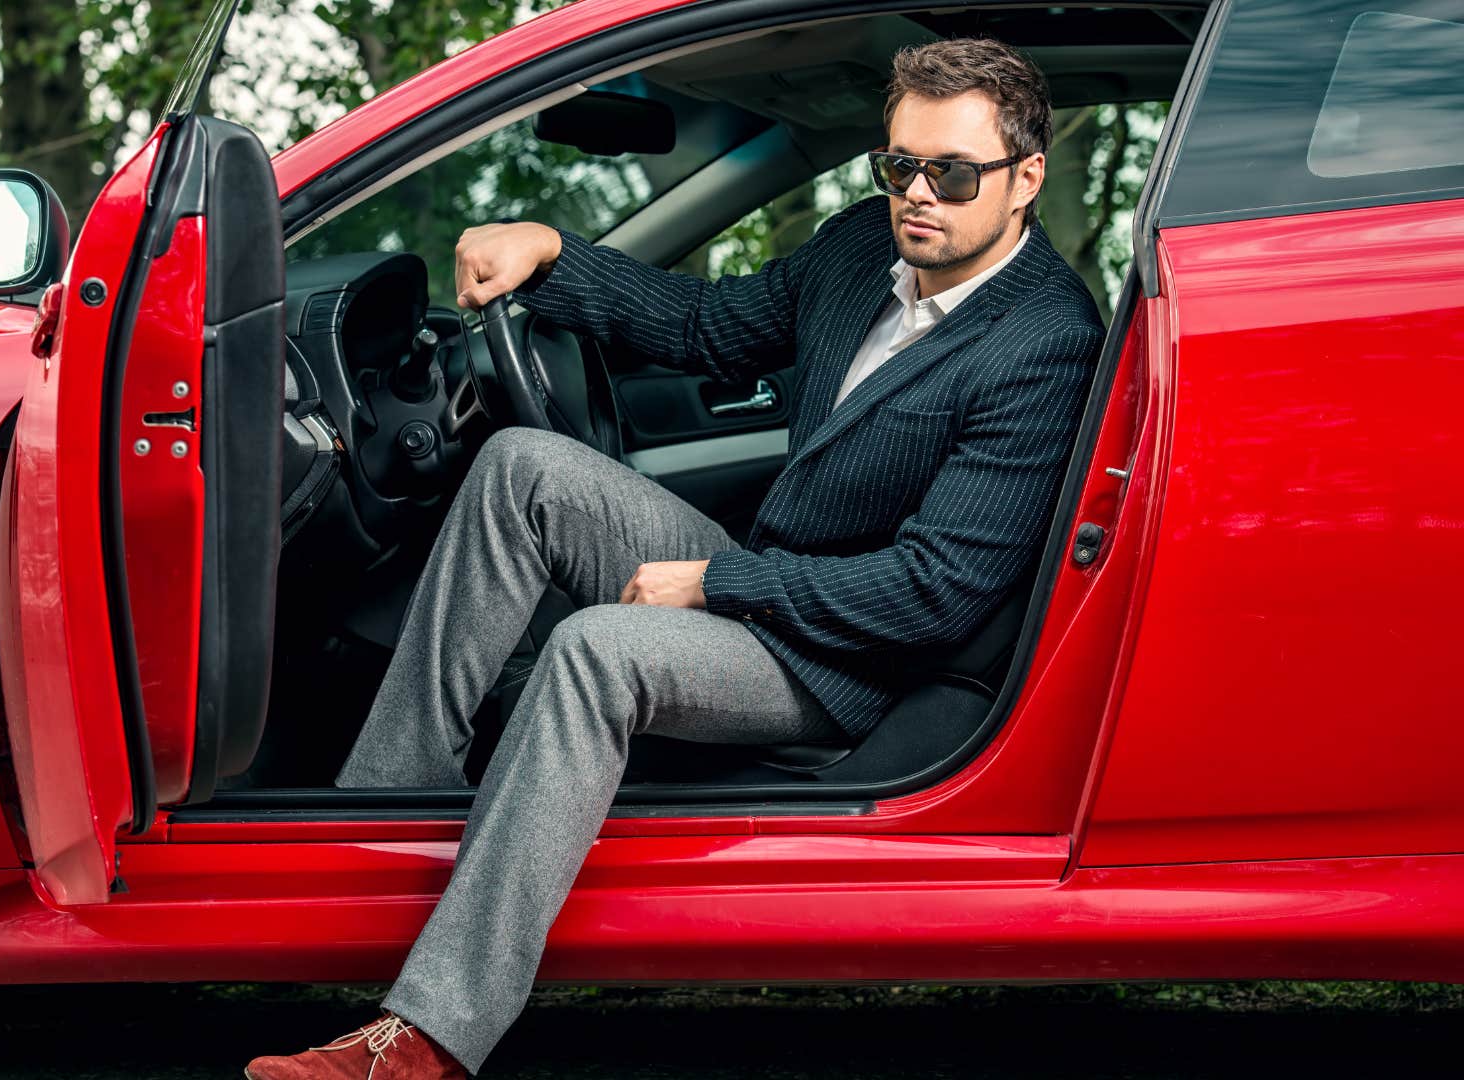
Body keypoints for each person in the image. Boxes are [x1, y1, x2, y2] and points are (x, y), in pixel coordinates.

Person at [245, 35, 1104, 1080]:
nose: (918, 195)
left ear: (1025, 179)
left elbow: (930, 594)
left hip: (844, 661)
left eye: (952, 174)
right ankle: (379, 817)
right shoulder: (860, 254)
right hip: (776, 584)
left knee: (598, 651)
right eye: (899, 166)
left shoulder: (1043, 343)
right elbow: (704, 324)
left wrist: (716, 583)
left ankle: (424, 1038)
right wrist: (553, 253)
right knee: (523, 466)